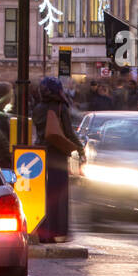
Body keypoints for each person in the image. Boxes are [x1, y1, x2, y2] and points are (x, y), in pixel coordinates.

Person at [32, 76, 86, 243]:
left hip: (41, 154)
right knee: (58, 194)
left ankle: (43, 231)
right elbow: (69, 133)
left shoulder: (38, 107)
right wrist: (80, 149)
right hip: (57, 154)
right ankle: (56, 231)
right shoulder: (60, 107)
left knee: (45, 195)